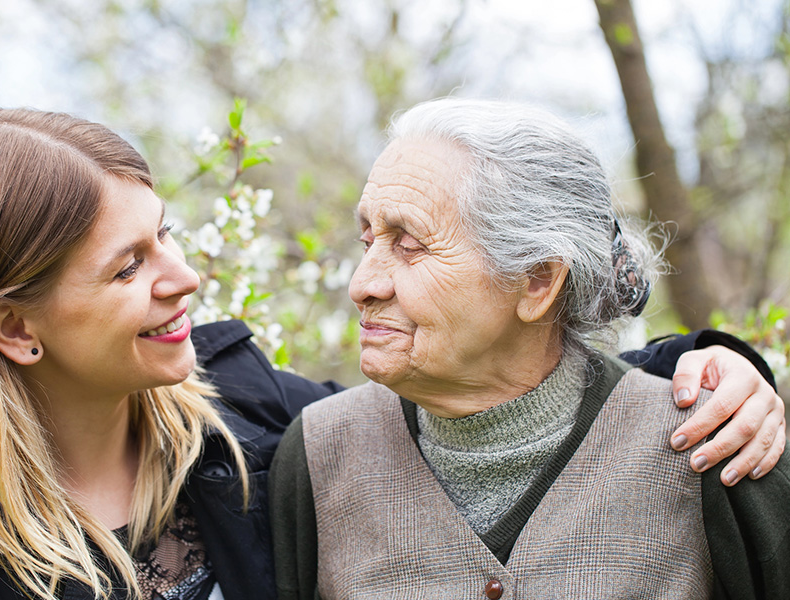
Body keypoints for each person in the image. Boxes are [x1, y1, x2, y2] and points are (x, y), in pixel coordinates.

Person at [0, 108, 780, 600]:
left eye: (166, 236)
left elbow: (519, 397)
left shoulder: (249, 415)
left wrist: (712, 366)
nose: (186, 277)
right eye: (129, 267)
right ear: (14, 329)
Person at [269, 98, 790, 599]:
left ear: (538, 281)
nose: (363, 284)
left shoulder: (717, 445)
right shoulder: (318, 456)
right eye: (368, 242)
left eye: (410, 245)